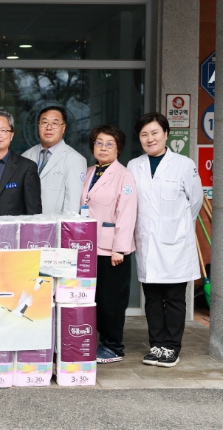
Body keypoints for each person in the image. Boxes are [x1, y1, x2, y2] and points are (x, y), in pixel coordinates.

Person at [127, 112, 203, 368]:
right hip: (147, 243)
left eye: (154, 133)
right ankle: (156, 345)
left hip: (175, 245)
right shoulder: (134, 165)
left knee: (173, 298)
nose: (150, 139)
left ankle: (172, 347)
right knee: (151, 298)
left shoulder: (184, 164)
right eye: (144, 134)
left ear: (166, 134)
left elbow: (195, 202)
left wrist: (175, 226)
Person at [79, 125, 137, 364]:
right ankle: (99, 341)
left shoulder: (124, 176)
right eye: (99, 143)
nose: (103, 148)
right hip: (88, 246)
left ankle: (113, 346)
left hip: (111, 249)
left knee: (111, 300)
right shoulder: (89, 171)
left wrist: (119, 248)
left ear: (118, 148)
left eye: (109, 144)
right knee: (94, 297)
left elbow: (127, 213)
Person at [22, 105, 87, 214]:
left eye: (55, 123)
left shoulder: (75, 160)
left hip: (55, 224)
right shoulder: (25, 156)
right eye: (44, 122)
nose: (49, 127)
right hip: (27, 222)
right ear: (38, 126)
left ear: (63, 128)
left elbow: (72, 206)